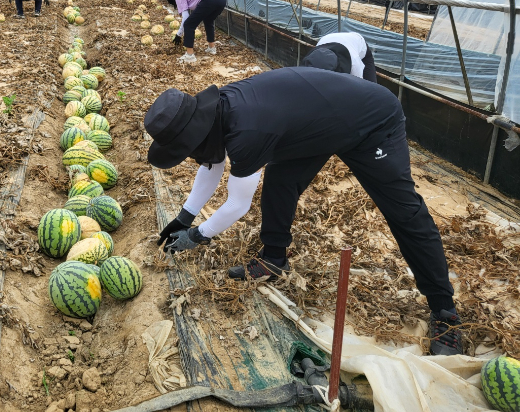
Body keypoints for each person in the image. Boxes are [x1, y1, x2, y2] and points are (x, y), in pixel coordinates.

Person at [144, 67, 464, 356]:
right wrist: (183, 217)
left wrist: (197, 235)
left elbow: (237, 204)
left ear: (196, 134)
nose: (190, 156)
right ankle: (273, 259)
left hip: (370, 121)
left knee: (403, 211)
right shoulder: (218, 113)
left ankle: (445, 312)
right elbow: (212, 165)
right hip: (317, 125)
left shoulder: (247, 131)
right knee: (281, 181)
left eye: (186, 149)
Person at [167, 0, 226, 64]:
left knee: (189, 24)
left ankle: (189, 55)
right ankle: (211, 48)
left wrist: (178, 34)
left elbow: (186, 18)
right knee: (208, 20)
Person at [303, 32, 377, 82]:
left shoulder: (354, 64)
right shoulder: (315, 55)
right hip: (332, 38)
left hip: (359, 44)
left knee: (373, 87)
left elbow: (359, 89)